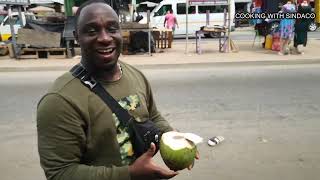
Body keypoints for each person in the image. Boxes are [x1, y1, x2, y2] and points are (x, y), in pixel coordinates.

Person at [36, 1, 198, 180]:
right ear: (76, 37)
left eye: (112, 29)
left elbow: (152, 116)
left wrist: (174, 138)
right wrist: (129, 174)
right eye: (92, 31)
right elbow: (60, 173)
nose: (105, 38)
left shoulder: (135, 75)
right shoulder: (59, 100)